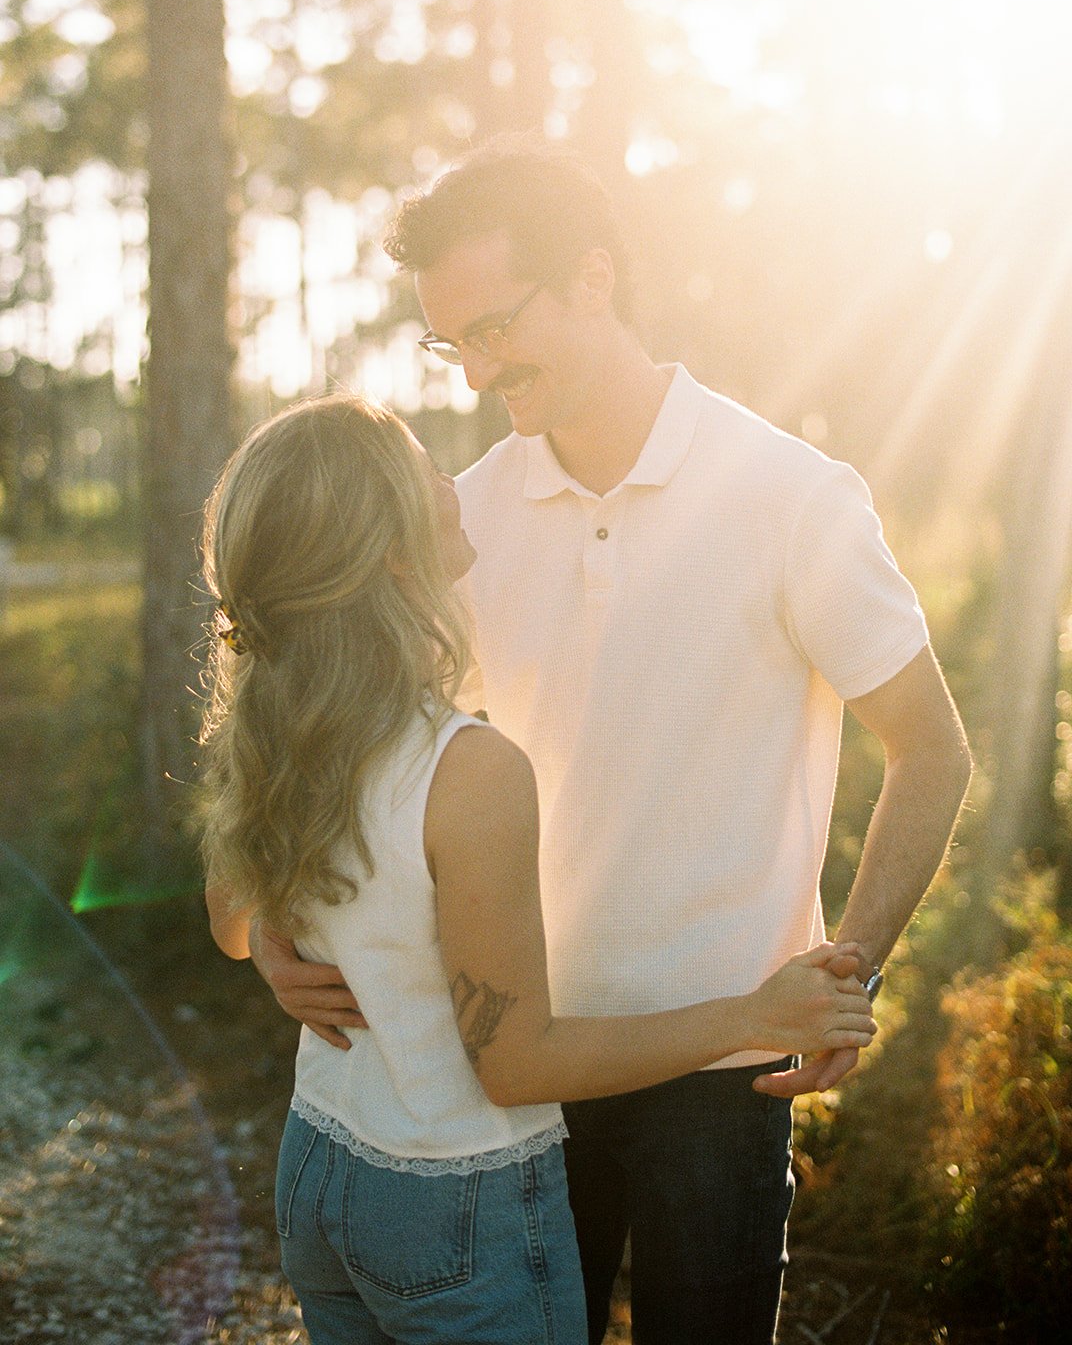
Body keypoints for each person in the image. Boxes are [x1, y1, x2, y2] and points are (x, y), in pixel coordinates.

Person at [251, 138, 973, 1345]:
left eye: (494, 327)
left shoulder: (790, 495)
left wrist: (847, 971)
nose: (478, 369)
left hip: (723, 1068)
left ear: (592, 279)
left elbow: (930, 749)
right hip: (514, 1075)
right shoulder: (461, 515)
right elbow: (347, 737)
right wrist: (275, 923)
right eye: (453, 342)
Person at [199, 392, 878, 1345]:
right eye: (425, 471)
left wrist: (278, 949)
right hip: (453, 1203)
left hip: (321, 1167)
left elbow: (230, 917)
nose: (455, 484)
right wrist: (753, 1016)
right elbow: (514, 1064)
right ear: (389, 548)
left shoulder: (283, 723)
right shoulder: (466, 769)